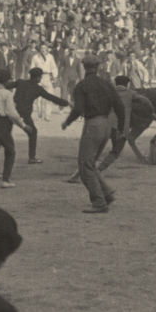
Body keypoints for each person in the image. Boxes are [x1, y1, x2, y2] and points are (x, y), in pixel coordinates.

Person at [61, 54, 125, 213]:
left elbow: (77, 109)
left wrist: (67, 122)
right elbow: (120, 107)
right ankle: (107, 193)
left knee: (85, 165)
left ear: (83, 67)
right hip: (107, 125)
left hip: (92, 125)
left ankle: (99, 203)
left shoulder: (81, 86)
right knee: (90, 162)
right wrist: (120, 129)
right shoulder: (107, 84)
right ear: (98, 68)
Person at [7, 67, 70, 164]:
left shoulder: (20, 82)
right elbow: (52, 98)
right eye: (40, 76)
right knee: (33, 132)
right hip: (25, 114)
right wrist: (67, 103)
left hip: (12, 111)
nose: (41, 78)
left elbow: (6, 85)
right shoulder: (38, 89)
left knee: (4, 133)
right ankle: (32, 157)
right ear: (37, 78)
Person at [29, 42, 59, 120]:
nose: (43, 50)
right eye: (41, 48)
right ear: (39, 48)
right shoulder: (35, 57)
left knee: (49, 96)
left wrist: (55, 76)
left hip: (47, 77)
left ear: (47, 49)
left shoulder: (50, 57)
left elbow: (54, 67)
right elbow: (32, 68)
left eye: (44, 48)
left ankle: (47, 115)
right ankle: (39, 114)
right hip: (38, 78)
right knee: (38, 98)